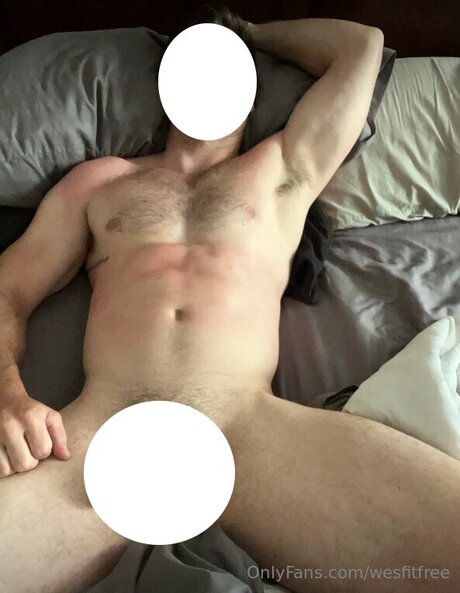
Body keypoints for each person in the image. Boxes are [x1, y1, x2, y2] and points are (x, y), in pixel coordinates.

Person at [0, 5, 459, 593]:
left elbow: (362, 46)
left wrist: (248, 34)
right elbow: (9, 289)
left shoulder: (283, 168)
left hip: (248, 427)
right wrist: (9, 395)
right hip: (101, 434)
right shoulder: (99, 182)